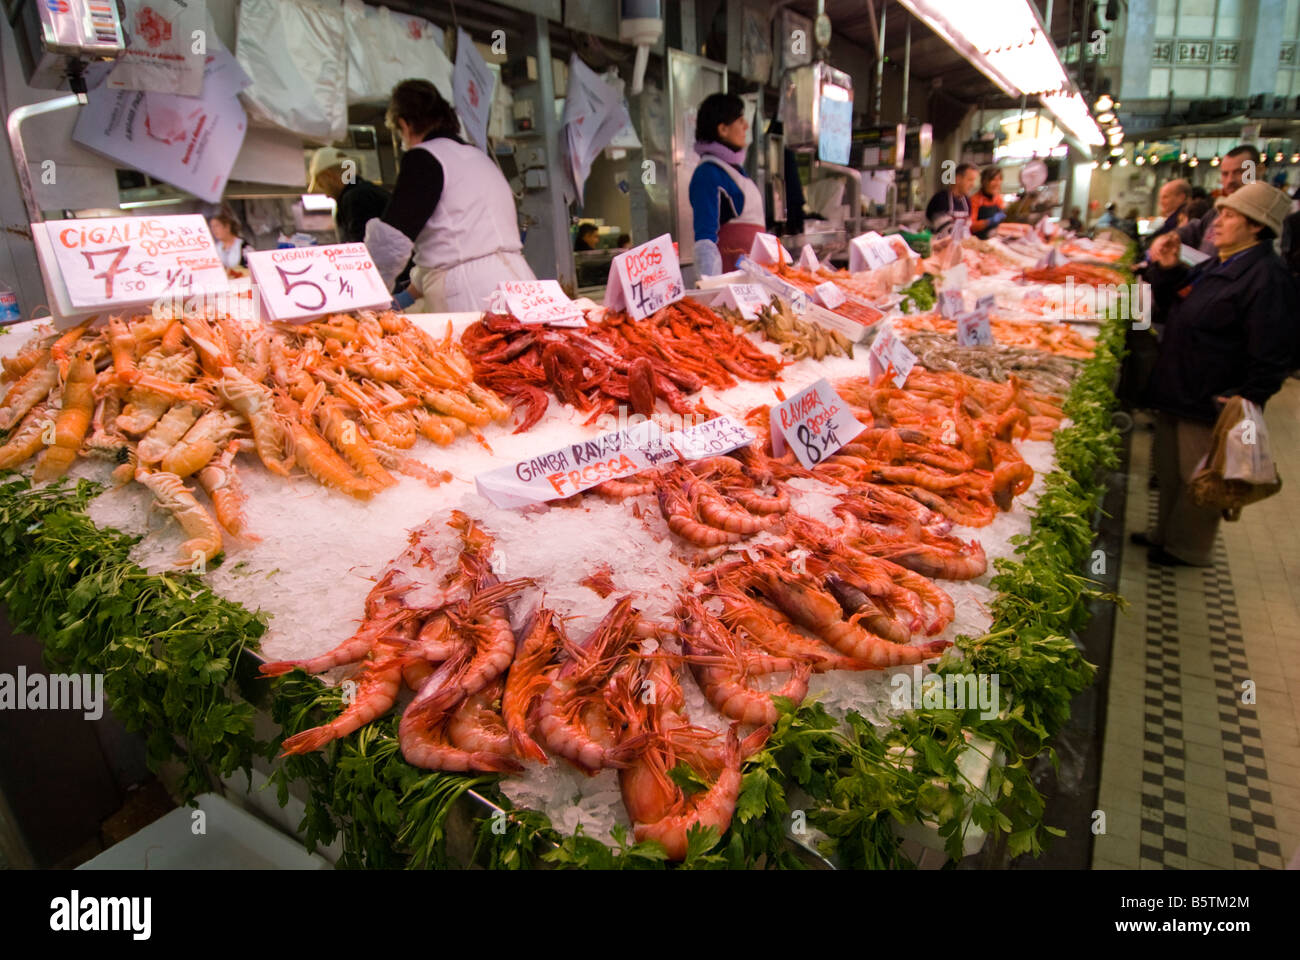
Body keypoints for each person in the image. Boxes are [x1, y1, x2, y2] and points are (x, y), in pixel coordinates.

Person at [1137, 182, 1297, 566]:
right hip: (1181, 386)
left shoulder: (1266, 276)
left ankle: (1188, 548)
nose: (1217, 222)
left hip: (1210, 396)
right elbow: (1178, 299)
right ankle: (1165, 533)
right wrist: (1169, 269)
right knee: (1172, 471)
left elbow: (1275, 348)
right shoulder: (1223, 262)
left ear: (1256, 225)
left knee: (1201, 476)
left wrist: (1250, 394)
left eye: (1228, 215)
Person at [364, 79, 535, 311]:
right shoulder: (478, 157)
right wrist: (406, 296)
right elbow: (453, 246)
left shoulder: (423, 158)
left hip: (472, 295)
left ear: (404, 125)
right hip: (521, 282)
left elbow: (390, 242)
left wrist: (366, 299)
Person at [689, 93, 763, 276]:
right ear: (723, 129)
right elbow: (705, 241)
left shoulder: (735, 170)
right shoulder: (707, 174)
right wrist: (710, 290)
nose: (746, 126)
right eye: (740, 121)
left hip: (753, 278)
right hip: (730, 283)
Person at [1179, 144, 1260, 257]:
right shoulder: (1216, 211)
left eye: (1239, 172)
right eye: (1225, 174)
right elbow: (1194, 231)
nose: (1230, 180)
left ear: (1260, 170)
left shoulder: (1269, 216)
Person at [307, 147, 391, 245]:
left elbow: (360, 249)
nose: (326, 195)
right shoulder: (365, 190)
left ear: (329, 176)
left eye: (321, 185)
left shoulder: (356, 197)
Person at [925, 162, 977, 233]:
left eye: (974, 181)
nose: (973, 185)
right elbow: (945, 231)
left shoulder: (966, 201)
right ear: (958, 179)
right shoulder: (941, 199)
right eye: (970, 180)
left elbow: (967, 228)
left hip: (959, 242)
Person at [1148, 179, 1191, 246]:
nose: (1160, 202)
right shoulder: (1172, 217)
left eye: (1165, 197)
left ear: (1181, 197)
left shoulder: (1182, 219)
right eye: (1160, 197)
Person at [971, 167, 1006, 239]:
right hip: (979, 241)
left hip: (996, 238)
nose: (997, 183)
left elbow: (1004, 219)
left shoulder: (998, 198)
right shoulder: (974, 200)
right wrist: (989, 221)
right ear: (984, 182)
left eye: (999, 179)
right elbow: (971, 227)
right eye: (993, 179)